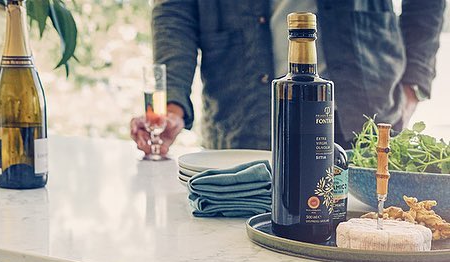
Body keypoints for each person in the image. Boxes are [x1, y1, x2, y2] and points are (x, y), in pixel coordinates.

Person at [132, 0, 445, 156]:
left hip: (365, 107)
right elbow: (175, 9)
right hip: (245, 113)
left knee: (370, 241)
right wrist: (171, 105)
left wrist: (413, 85)